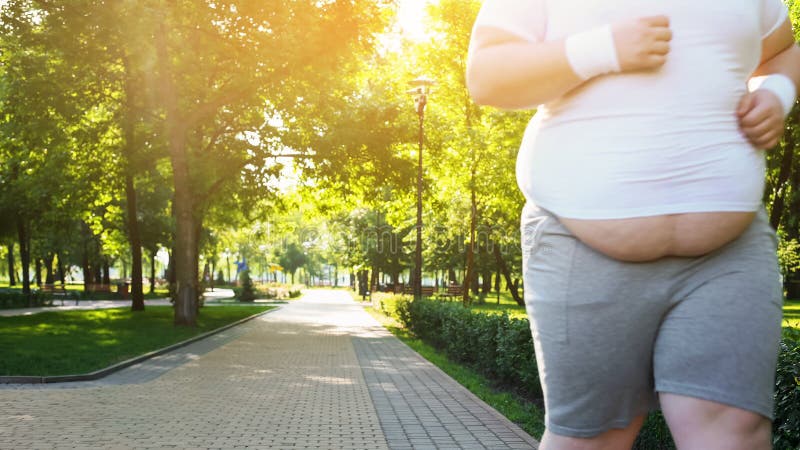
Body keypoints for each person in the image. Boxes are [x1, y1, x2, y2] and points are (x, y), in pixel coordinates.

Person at [466, 1, 800, 449]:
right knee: (595, 438)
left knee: (733, 431)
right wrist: (602, 49)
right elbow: (488, 76)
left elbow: (783, 51)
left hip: (729, 251)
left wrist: (777, 93)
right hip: (581, 244)